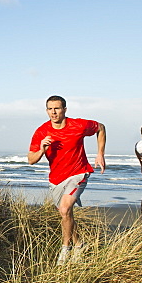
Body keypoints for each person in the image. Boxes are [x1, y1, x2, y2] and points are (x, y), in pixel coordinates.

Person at [28, 95, 106, 264]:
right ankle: (79, 245)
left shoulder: (78, 125)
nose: (53, 112)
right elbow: (31, 160)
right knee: (66, 214)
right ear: (46, 110)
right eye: (50, 109)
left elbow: (101, 128)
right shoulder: (41, 131)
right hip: (56, 179)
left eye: (57, 108)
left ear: (64, 110)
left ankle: (65, 250)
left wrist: (100, 153)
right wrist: (42, 149)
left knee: (64, 210)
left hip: (79, 172)